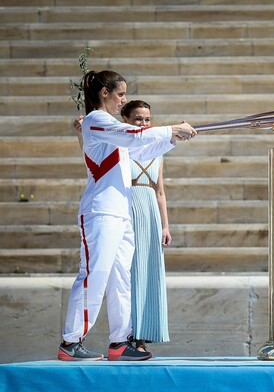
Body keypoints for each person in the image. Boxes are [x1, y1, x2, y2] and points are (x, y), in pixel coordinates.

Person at [58, 70, 197, 361]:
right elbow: (132, 134)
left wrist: (172, 139)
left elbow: (142, 146)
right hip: (100, 212)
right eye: (120, 94)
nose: (124, 100)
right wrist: (171, 129)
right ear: (104, 93)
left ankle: (120, 342)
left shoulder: (111, 129)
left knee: (121, 277)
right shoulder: (97, 120)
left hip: (121, 213)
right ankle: (71, 342)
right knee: (94, 275)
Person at [121, 100, 171, 352]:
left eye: (147, 119)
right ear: (126, 121)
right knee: (131, 272)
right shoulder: (119, 147)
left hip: (150, 211)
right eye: (138, 119)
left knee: (149, 271)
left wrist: (165, 225)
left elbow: (159, 191)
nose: (144, 124)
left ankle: (145, 333)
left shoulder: (157, 150)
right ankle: (130, 336)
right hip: (128, 210)